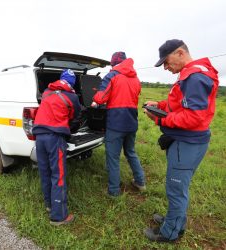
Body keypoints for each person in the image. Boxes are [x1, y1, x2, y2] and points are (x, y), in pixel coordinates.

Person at [143, 39, 219, 242]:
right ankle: (174, 221)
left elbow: (195, 117)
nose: (166, 67)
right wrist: (158, 104)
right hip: (188, 141)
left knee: (176, 189)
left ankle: (170, 233)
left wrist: (160, 118)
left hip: (188, 143)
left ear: (179, 53)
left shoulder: (195, 77)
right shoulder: (190, 75)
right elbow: (178, 104)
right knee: (178, 187)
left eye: (166, 62)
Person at [91, 51, 146, 197]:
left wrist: (95, 96)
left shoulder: (112, 75)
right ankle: (140, 182)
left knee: (113, 157)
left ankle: (113, 191)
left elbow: (101, 98)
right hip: (131, 121)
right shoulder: (135, 78)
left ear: (114, 63)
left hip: (116, 123)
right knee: (131, 152)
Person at [32, 69, 81, 226]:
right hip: (55, 138)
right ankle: (58, 216)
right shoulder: (72, 97)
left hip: (39, 137)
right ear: (72, 83)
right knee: (58, 175)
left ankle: (49, 205)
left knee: (45, 172)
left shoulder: (46, 92)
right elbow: (75, 116)